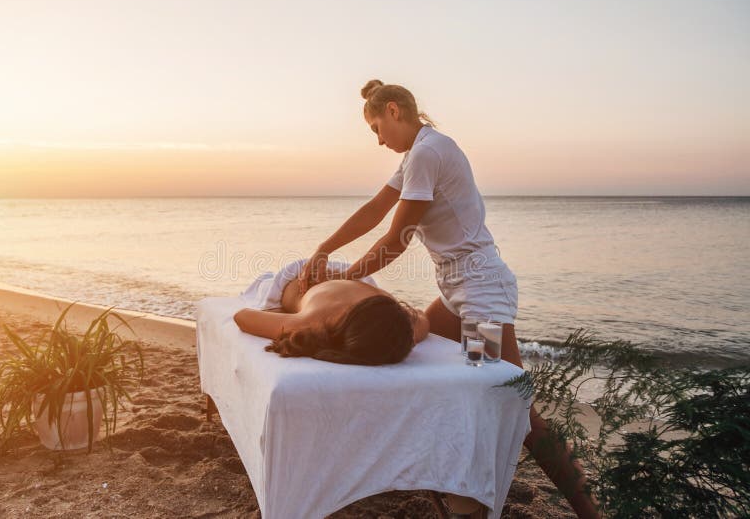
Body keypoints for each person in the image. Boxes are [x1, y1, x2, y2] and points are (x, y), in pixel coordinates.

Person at [297, 79, 600, 518]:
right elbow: (374, 209)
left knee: (512, 408)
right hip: (456, 291)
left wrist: (344, 274)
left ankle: (588, 510)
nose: (379, 140)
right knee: (406, 345)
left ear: (395, 110)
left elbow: (396, 239)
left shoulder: (428, 152)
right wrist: (323, 249)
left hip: (480, 294)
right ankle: (443, 484)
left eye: (377, 128)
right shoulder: (416, 155)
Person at [234, 260, 431, 365]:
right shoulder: (316, 321)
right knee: (263, 285)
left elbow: (422, 317)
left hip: (354, 277)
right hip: (299, 275)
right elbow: (242, 316)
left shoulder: (397, 323)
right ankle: (266, 277)